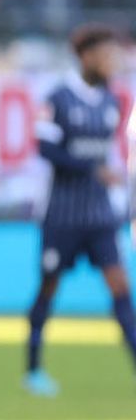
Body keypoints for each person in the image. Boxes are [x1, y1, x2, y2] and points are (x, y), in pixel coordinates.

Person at [26, 24, 135, 396]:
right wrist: (92, 169)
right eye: (106, 55)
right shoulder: (57, 99)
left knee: (121, 287)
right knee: (49, 287)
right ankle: (33, 370)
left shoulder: (114, 101)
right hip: (62, 216)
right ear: (85, 56)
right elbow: (46, 150)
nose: (112, 62)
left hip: (100, 216)